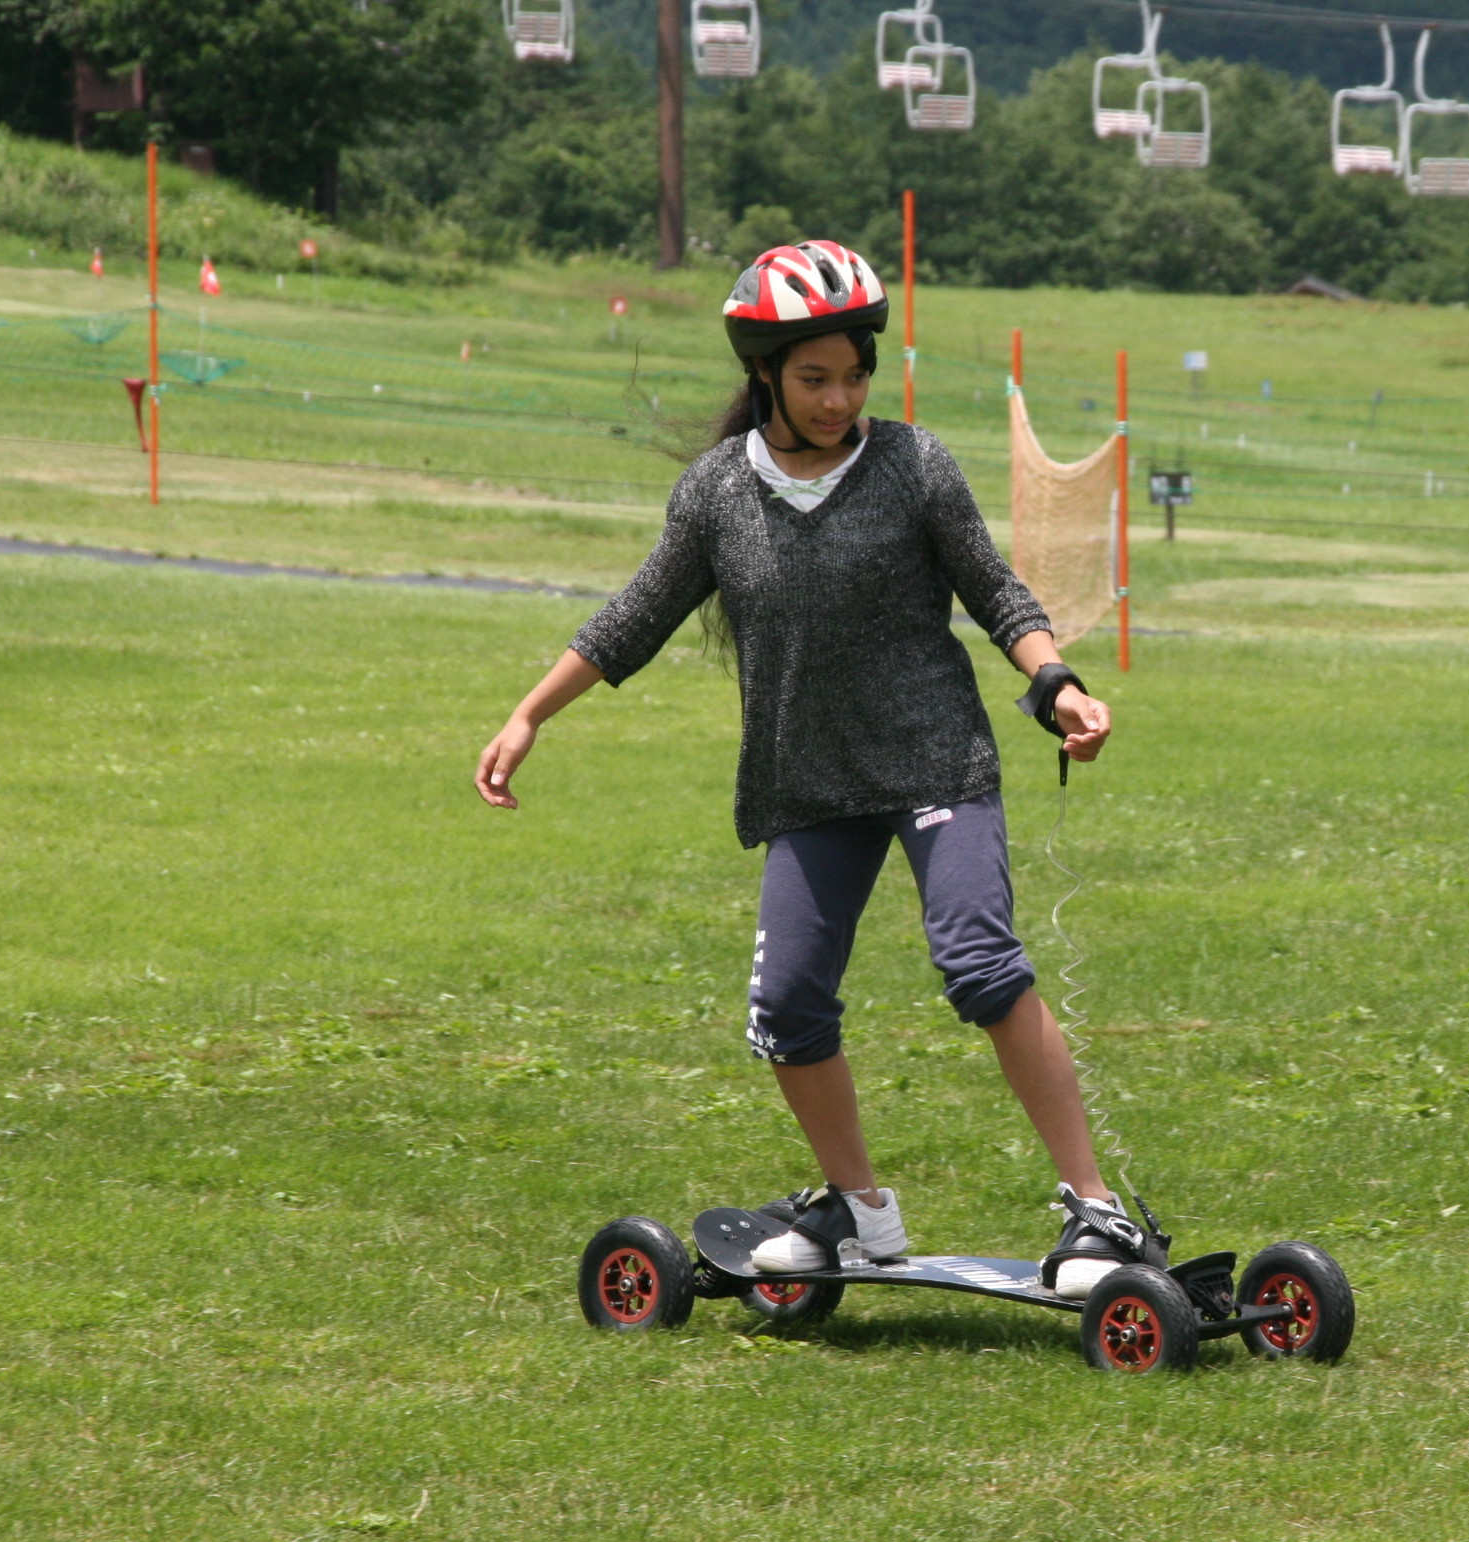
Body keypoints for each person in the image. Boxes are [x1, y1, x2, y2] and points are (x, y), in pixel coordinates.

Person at [472, 241, 1151, 1298]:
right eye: (814, 378)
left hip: (935, 761)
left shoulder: (914, 467)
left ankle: (1098, 1211)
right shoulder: (715, 496)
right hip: (808, 782)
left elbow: (996, 591)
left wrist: (1057, 684)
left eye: (855, 373)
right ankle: (858, 1211)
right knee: (788, 1007)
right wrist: (528, 715)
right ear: (766, 378)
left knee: (980, 964)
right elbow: (633, 617)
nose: (840, 398)